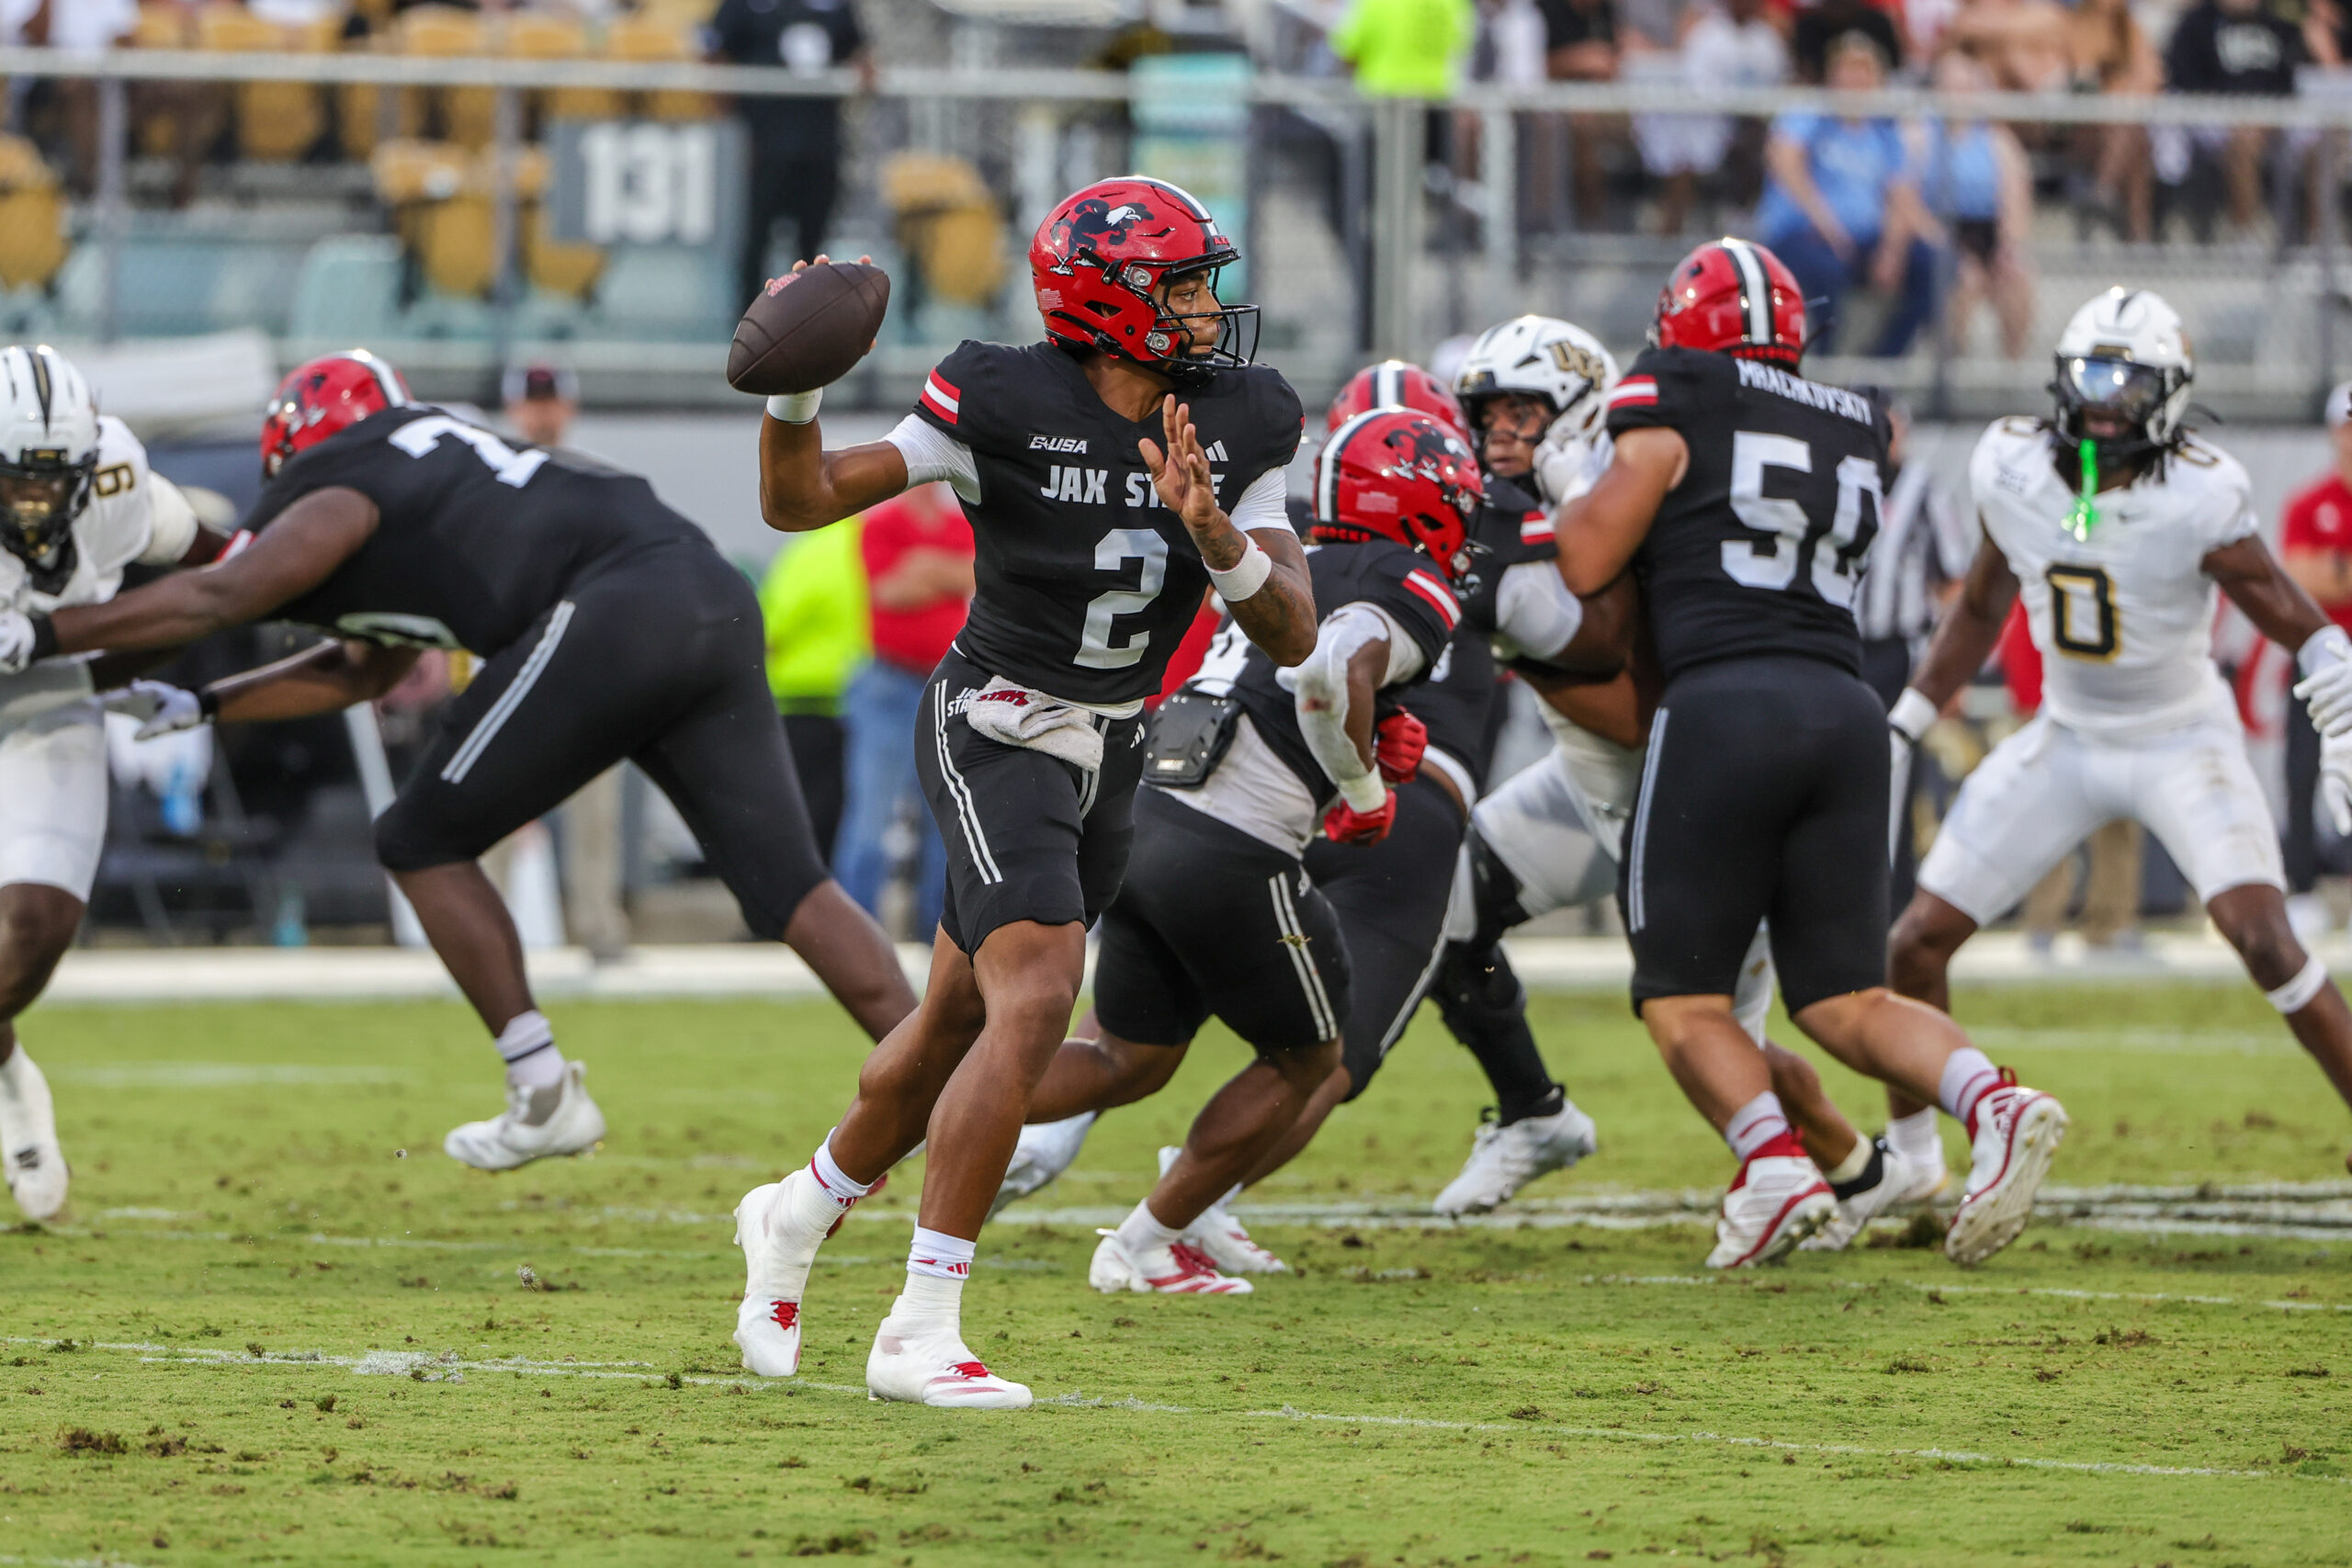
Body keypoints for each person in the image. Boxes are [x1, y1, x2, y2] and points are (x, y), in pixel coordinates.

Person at [0, 350, 918, 1173]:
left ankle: (542, 1090)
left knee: (417, 837)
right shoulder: (440, 471)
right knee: (793, 888)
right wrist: (206, 702)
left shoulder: (342, 476)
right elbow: (369, 662)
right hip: (704, 593)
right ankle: (962, 1097)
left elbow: (226, 593)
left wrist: (42, 631)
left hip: (609, 609)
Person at [729, 177, 1318, 1408]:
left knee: (951, 1019)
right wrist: (796, 390)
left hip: (1115, 744)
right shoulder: (1000, 395)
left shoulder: (1245, 416)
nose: (1210, 309)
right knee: (1041, 987)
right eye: (1184, 285)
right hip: (996, 721)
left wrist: (1220, 539)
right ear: (1111, 303)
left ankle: (796, 1209)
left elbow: (1297, 627)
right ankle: (920, 1325)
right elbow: (799, 500)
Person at [995, 355, 1618, 1262]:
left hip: (1151, 796)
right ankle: (1153, 1238)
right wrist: (1366, 781)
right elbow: (1337, 671)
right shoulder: (1426, 569)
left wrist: (1371, 734)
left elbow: (1290, 669)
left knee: (1129, 1051)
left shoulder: (1280, 540)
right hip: (1284, 822)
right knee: (1319, 1054)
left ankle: (934, 1113)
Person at [1552, 237, 2067, 1268]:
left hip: (1724, 704)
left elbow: (1584, 557)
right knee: (1846, 997)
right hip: (1844, 709)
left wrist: (1575, 477)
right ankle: (1993, 1099)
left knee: (1679, 996)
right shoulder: (1855, 417)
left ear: (1680, 327)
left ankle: (1774, 1169)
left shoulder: (1679, 387)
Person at [1888, 289, 2352, 1183]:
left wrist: (2335, 672)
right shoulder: (2011, 467)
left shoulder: (2200, 493)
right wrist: (1909, 713)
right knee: (1913, 943)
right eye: (2088, 375)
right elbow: (1984, 599)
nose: (2102, 400)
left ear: (2169, 394)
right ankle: (1912, 1159)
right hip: (2063, 735)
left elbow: (2289, 611)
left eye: (2125, 381)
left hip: (2180, 734)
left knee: (2261, 937)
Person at [0, 344, 232, 1221]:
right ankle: (10, 1079)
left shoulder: (118, 478)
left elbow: (223, 571)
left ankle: (10, 1069)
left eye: (54, 483)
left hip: (42, 703)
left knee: (37, 925)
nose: (38, 505)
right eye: (19, 482)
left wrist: (99, 672)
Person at [495, 359, 630, 961]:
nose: (541, 412)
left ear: (568, 408)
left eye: (549, 401)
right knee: (489, 807)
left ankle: (599, 926)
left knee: (596, 813)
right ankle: (485, 937)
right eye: (532, 400)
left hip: (583, 668)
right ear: (512, 408)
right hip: (511, 662)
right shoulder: (489, 479)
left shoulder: (599, 481)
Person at [832, 483, 972, 939]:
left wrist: (924, 566)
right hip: (889, 684)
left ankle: (940, 934)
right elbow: (889, 591)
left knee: (945, 819)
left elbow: (975, 577)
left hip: (944, 684)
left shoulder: (959, 523)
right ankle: (853, 935)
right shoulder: (882, 522)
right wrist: (942, 571)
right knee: (871, 816)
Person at [1753, 32, 1938, 358]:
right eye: (1848, 70)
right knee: (1825, 271)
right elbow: (1787, 164)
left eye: (1865, 71)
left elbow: (1901, 193)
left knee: (1929, 264)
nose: (1856, 80)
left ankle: (1880, 364)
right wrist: (1830, 227)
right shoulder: (1810, 114)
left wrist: (1892, 251)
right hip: (1804, 234)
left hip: (1860, 240)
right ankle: (1825, 364)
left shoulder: (1885, 131)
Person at [708, 0, 873, 310]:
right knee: (755, 241)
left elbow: (860, 52)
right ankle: (748, 330)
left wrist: (860, 76)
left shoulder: (834, 7)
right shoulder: (744, 7)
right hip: (763, 143)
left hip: (819, 142)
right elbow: (715, 52)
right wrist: (732, 129)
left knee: (813, 245)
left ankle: (807, 328)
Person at [2278, 381, 2352, 938]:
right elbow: (2303, 579)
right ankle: (2302, 888)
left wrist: (2337, 569)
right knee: (2302, 776)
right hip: (2319, 662)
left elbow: (2330, 575)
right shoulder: (2310, 503)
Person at [756, 519, 868, 869]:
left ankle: (791, 904)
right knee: (839, 809)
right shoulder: (872, 546)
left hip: (800, 697)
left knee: (795, 810)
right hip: (856, 699)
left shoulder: (811, 552)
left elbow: (769, 629)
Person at [1633, 0, 1788, 236]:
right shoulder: (1707, 34)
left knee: (1768, 142)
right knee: (1684, 157)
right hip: (1710, 120)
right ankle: (1670, 232)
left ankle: (1746, 219)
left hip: (1755, 122)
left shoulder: (1767, 38)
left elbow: (1777, 84)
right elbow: (1698, 87)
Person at [2162, 0, 2306, 237]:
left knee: (2325, 143)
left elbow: (2288, 85)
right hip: (2214, 115)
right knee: (2245, 139)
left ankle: (2318, 242)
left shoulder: (2276, 25)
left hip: (2273, 115)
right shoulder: (2197, 23)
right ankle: (2244, 233)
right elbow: (2186, 84)